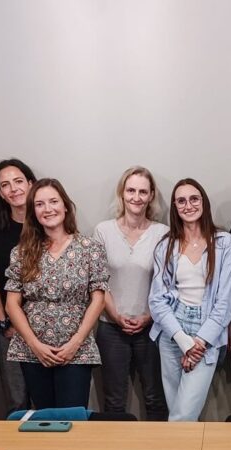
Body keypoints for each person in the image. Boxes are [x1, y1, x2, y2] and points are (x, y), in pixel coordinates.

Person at [4, 179, 109, 409]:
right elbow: (12, 304)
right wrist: (34, 344)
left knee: (72, 419)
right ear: (33, 211)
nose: (48, 209)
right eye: (40, 204)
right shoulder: (22, 251)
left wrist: (75, 343)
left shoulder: (90, 248)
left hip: (76, 349)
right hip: (33, 351)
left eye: (53, 201)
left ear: (65, 206)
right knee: (44, 420)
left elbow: (98, 298)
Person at [149, 179, 231, 421]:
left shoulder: (223, 243)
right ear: (175, 207)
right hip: (172, 330)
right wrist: (182, 340)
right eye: (181, 200)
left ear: (203, 202)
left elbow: (225, 301)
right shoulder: (165, 246)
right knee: (176, 409)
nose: (188, 205)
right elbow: (156, 300)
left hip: (206, 330)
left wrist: (198, 343)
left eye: (194, 198)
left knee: (182, 415)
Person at [93, 167, 169, 419]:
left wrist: (148, 316)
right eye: (131, 190)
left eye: (142, 191)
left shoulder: (162, 233)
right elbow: (98, 281)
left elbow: (167, 283)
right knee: (114, 400)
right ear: (122, 193)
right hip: (111, 327)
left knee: (156, 397)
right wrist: (115, 315)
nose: (136, 197)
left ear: (151, 196)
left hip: (152, 327)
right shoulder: (103, 231)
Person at [0, 159, 36, 416]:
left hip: (45, 324)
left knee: (49, 401)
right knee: (16, 399)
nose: (13, 189)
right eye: (5, 185)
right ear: (0, 193)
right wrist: (3, 318)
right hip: (6, 325)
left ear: (30, 183)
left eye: (18, 181)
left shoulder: (48, 223)